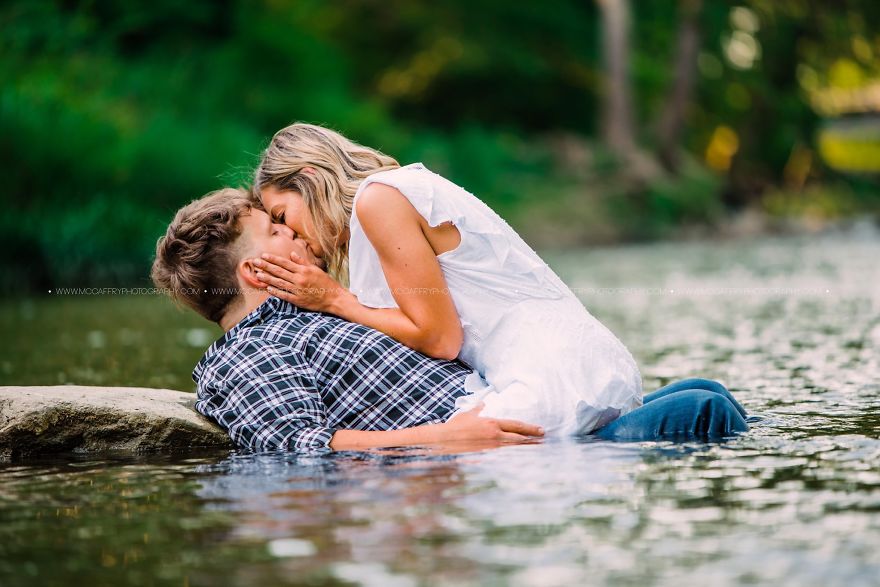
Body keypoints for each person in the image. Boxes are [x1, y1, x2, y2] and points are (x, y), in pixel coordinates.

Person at [150, 188, 749, 452]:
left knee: (708, 391)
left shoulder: (315, 307)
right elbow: (302, 447)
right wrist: (443, 440)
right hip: (496, 447)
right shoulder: (246, 357)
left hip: (516, 413)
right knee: (704, 411)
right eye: (276, 230)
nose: (296, 234)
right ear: (255, 270)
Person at [250, 123, 641, 436]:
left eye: (282, 216)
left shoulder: (378, 200)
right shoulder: (393, 192)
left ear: (310, 177)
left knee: (443, 447)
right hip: (584, 365)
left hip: (552, 378)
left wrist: (335, 300)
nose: (292, 234)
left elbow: (439, 338)